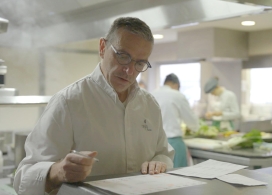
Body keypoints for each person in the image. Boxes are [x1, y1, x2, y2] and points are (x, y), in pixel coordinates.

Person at [14, 17, 174, 195]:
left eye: (140, 63)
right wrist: (58, 171)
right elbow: (23, 177)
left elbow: (163, 153)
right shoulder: (68, 102)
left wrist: (160, 162)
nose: (129, 70)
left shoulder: (150, 105)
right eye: (123, 56)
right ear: (103, 48)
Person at [152, 73, 199, 167]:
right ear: (176, 85)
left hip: (153, 144)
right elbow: (192, 121)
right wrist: (195, 128)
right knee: (179, 176)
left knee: (158, 177)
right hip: (174, 142)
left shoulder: (151, 94)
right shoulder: (177, 95)